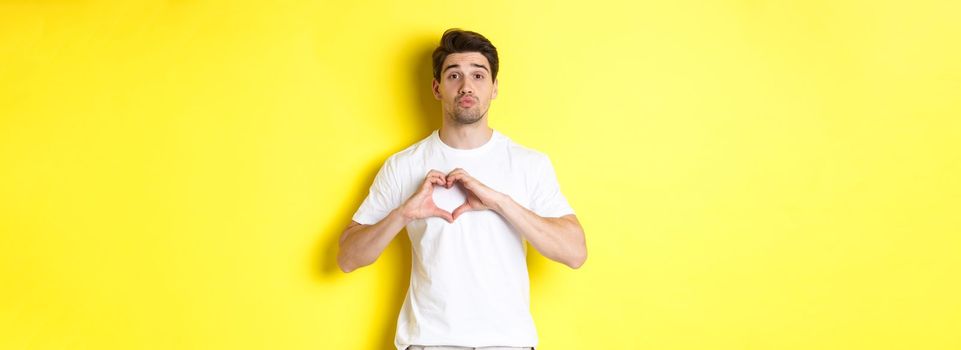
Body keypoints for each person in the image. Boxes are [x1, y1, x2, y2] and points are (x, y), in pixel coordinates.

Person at [337, 28, 587, 350]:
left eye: (478, 75)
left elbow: (575, 252)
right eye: (454, 75)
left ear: (494, 87)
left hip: (508, 344)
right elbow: (347, 258)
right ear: (437, 87)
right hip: (428, 343)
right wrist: (404, 213)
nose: (467, 86)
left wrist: (500, 202)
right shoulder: (403, 166)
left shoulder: (528, 164)